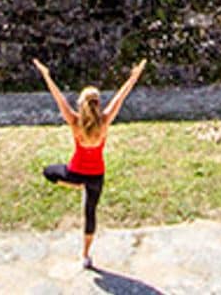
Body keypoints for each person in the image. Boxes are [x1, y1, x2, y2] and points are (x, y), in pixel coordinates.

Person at [32, 57, 146, 269]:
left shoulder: (74, 121)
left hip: (74, 173)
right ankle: (85, 255)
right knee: (90, 214)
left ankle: (76, 184)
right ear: (97, 103)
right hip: (96, 176)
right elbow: (122, 96)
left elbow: (58, 98)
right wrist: (134, 77)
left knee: (48, 172)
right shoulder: (105, 121)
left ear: (81, 104)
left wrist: (46, 75)